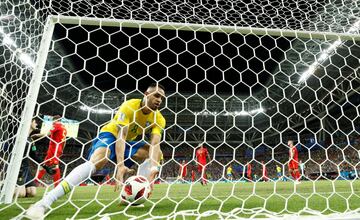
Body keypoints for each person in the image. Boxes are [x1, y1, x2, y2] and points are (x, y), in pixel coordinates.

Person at [26, 83, 166, 219]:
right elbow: (121, 136)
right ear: (146, 94)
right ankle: (45, 202)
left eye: (162, 98)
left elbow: (155, 143)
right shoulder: (129, 106)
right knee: (100, 158)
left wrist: (153, 167)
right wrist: (120, 164)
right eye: (157, 96)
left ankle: (137, 193)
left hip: (127, 142)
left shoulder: (158, 118)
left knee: (156, 153)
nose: (159, 100)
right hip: (110, 134)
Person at [15, 119, 55, 198]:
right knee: (20, 194)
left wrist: (46, 167)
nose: (37, 124)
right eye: (35, 122)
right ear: (29, 122)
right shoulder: (18, 137)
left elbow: (34, 156)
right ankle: (6, 186)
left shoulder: (30, 140)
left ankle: (19, 188)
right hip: (18, 169)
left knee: (32, 192)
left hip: (26, 168)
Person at [36, 115, 67, 187]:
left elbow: (48, 134)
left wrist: (37, 135)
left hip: (54, 148)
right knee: (44, 165)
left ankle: (57, 186)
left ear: (55, 120)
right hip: (58, 148)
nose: (52, 123)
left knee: (55, 166)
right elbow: (64, 141)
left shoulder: (56, 125)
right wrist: (61, 150)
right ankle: (35, 181)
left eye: (53, 121)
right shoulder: (64, 127)